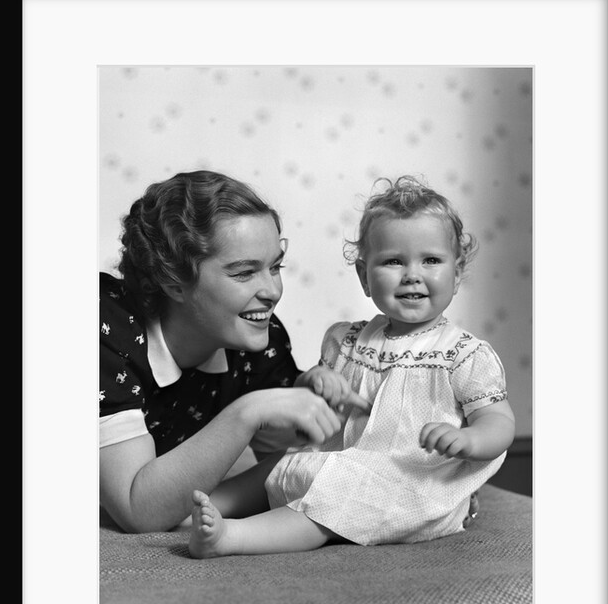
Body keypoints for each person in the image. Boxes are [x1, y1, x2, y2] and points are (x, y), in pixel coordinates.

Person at [188, 175, 516, 558]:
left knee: (337, 497)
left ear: (457, 274)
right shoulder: (346, 341)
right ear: (364, 276)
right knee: (289, 461)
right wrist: (316, 380)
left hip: (410, 484)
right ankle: (204, 505)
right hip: (344, 460)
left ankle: (234, 538)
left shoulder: (462, 355)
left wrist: (470, 440)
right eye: (393, 261)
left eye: (431, 260)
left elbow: (498, 421)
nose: (412, 274)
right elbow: (310, 402)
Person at [99, 170, 369, 534]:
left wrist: (309, 403)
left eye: (275, 266)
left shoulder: (258, 338)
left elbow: (285, 456)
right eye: (244, 273)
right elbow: (138, 510)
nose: (272, 290)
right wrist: (250, 410)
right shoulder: (103, 327)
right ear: (173, 280)